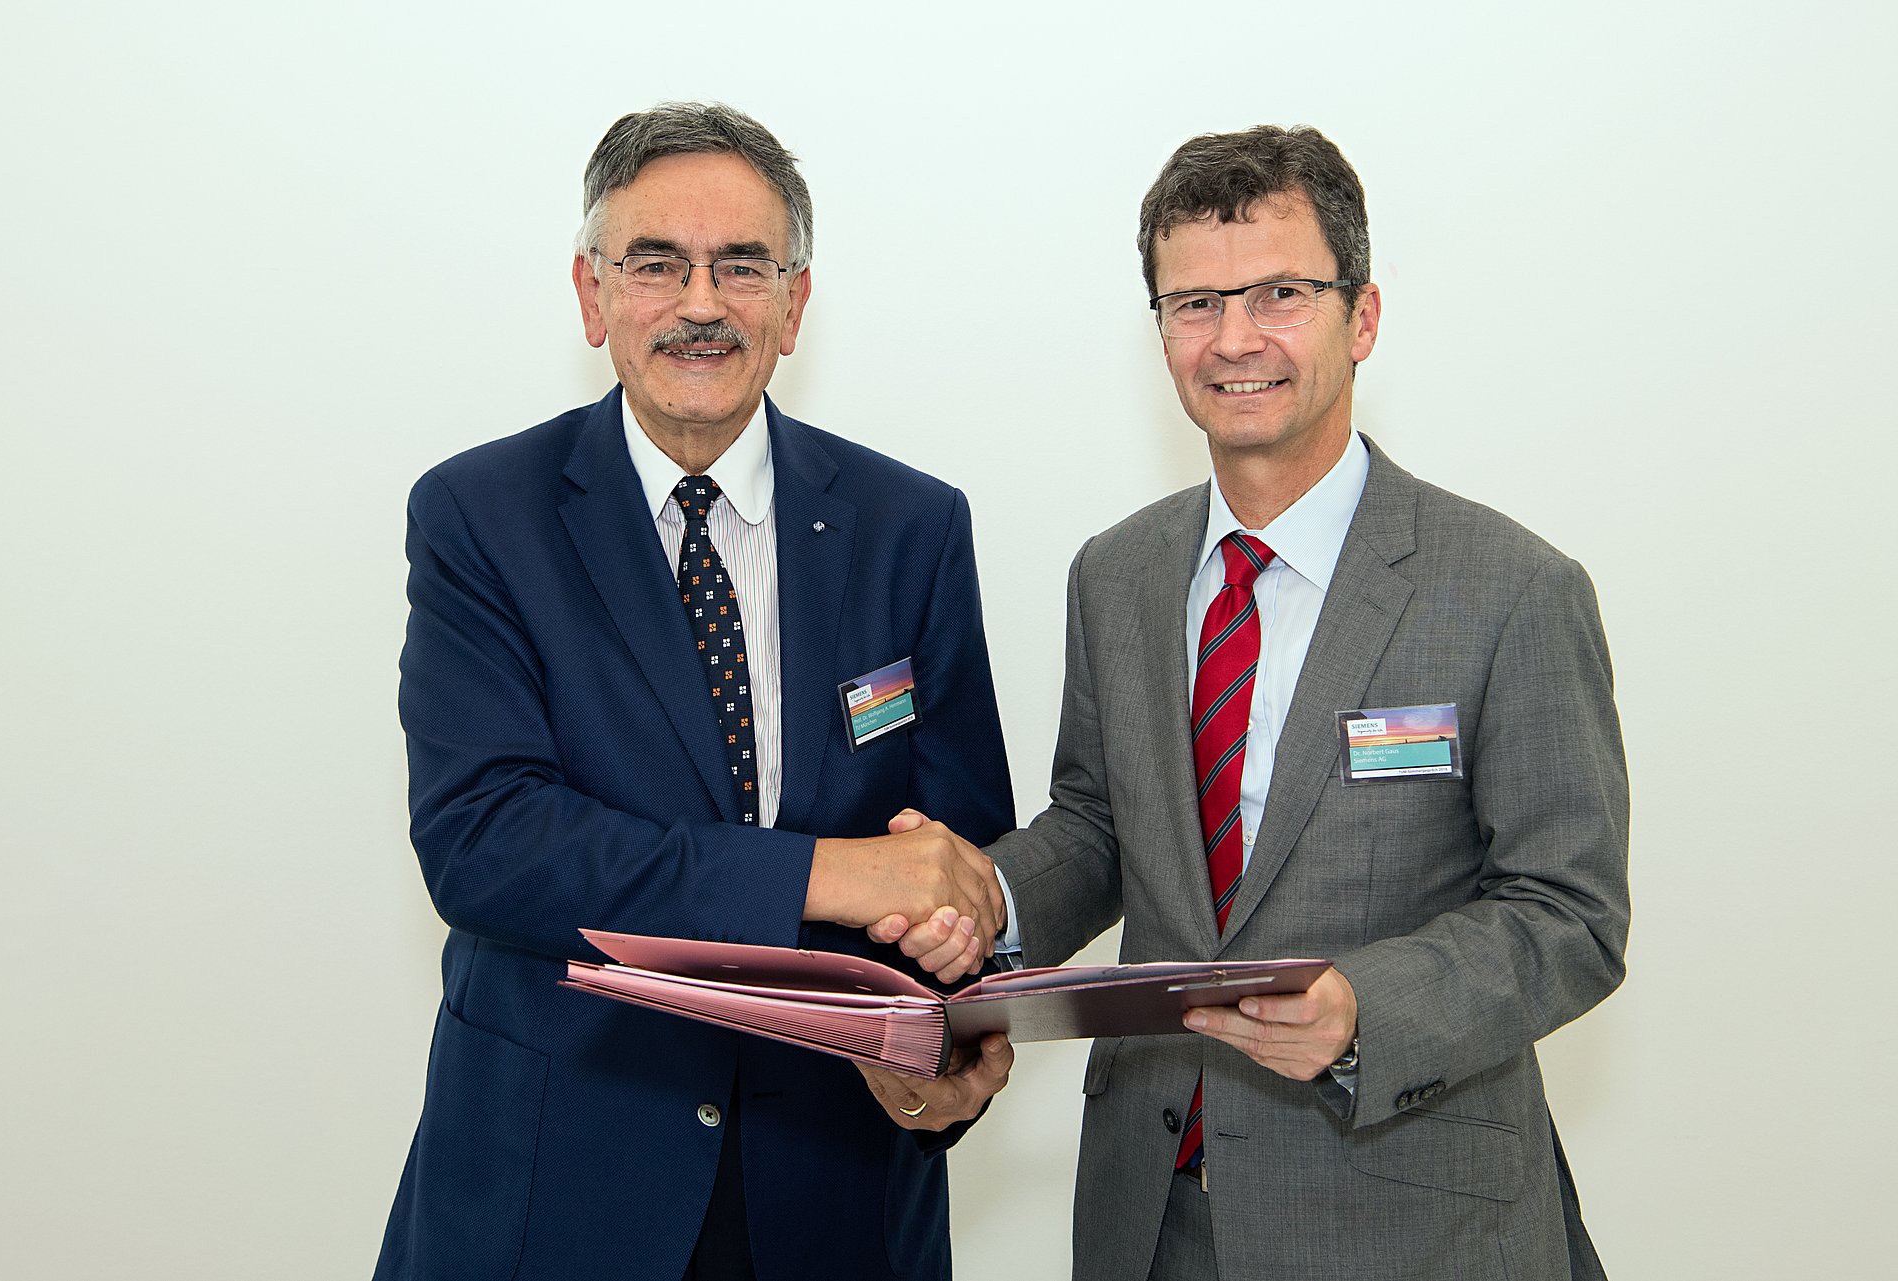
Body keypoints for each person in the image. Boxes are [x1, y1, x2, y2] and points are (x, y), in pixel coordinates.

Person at [879, 125, 1630, 1279]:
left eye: (1280, 293)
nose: (1235, 339)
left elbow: (1570, 913)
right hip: (1154, 1209)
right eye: (1194, 303)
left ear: (1362, 317)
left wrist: (1363, 1005)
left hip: (1412, 1219)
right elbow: (1098, 826)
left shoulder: (1513, 590)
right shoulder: (1117, 574)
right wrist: (984, 902)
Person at [374, 102, 1016, 1281]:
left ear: (796, 304)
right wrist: (825, 873)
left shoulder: (912, 526)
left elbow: (957, 853)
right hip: (557, 1199)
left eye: (742, 266)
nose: (702, 303)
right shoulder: (480, 518)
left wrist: (949, 1048)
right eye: (657, 264)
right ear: (591, 293)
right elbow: (486, 844)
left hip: (838, 1194)